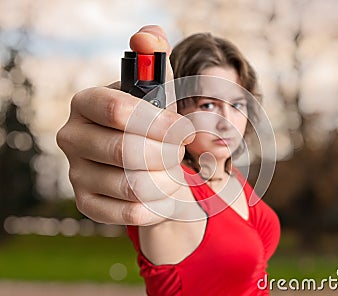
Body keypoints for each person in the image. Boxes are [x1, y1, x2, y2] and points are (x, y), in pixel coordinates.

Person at [57, 25, 280, 295]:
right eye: (208, 105)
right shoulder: (173, 185)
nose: (226, 122)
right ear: (177, 108)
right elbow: (152, 179)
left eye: (236, 104)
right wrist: (141, 129)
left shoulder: (232, 178)